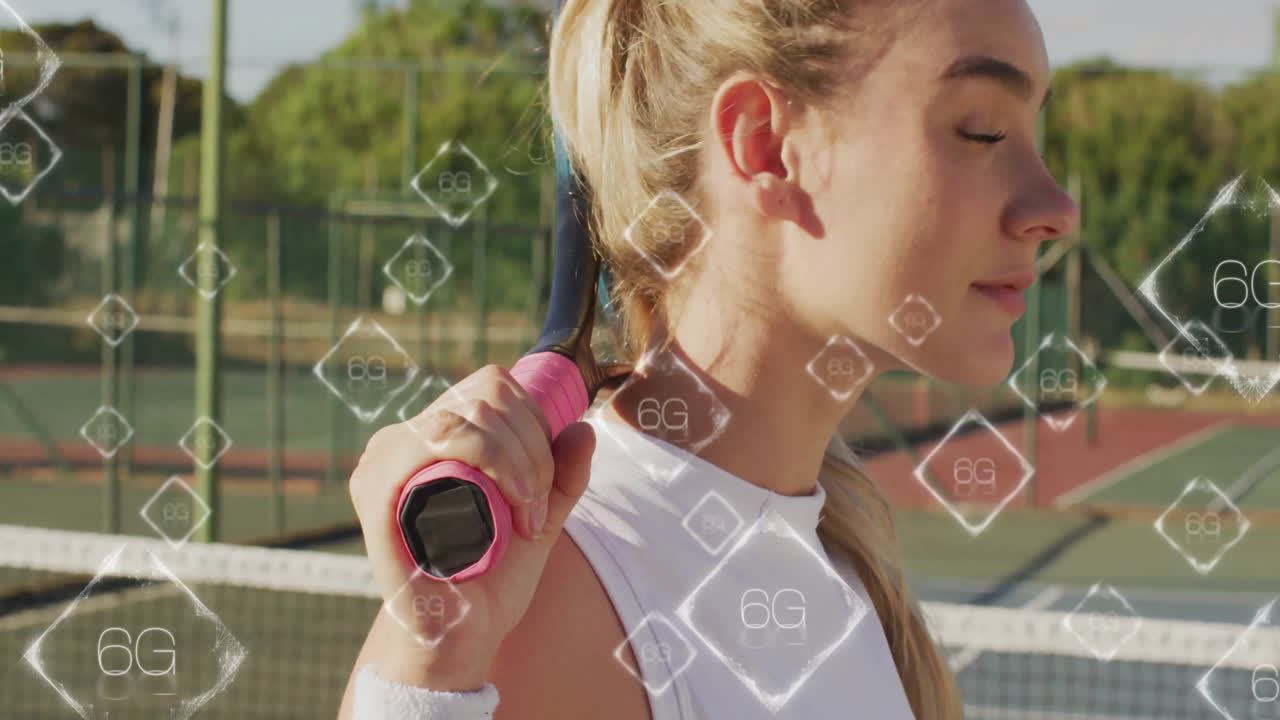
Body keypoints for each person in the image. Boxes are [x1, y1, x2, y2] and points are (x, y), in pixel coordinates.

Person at [338, 0, 1079, 717]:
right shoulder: (554, 607)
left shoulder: (840, 571)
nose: (1055, 207)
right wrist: (430, 678)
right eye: (981, 130)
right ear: (764, 146)